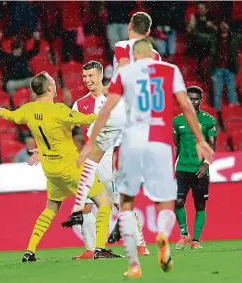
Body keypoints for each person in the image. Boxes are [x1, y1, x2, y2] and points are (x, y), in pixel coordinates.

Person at [80, 39, 214, 278]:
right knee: (164, 203)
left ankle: (134, 262)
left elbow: (108, 112)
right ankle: (162, 234)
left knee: (126, 202)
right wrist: (201, 139)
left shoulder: (125, 78)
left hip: (130, 144)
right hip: (160, 143)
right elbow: (185, 106)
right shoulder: (167, 73)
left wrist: (91, 143)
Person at [0, 72, 121, 261]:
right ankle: (100, 249)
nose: (55, 85)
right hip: (71, 168)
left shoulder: (28, 110)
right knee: (104, 202)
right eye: (53, 83)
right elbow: (87, 119)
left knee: (51, 208)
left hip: (51, 170)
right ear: (48, 88)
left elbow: (10, 116)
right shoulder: (59, 110)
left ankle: (30, 251)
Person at [62, 12, 159, 248]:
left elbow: (124, 74)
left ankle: (78, 209)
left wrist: (111, 90)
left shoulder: (122, 46)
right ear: (147, 31)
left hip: (120, 108)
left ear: (129, 28)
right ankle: (139, 244)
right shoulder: (155, 55)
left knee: (91, 155)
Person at [72, 61, 148, 259]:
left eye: (91, 76)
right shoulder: (79, 104)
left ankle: (140, 244)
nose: (87, 80)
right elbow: (67, 130)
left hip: (108, 158)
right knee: (86, 205)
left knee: (118, 202)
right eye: (84, 77)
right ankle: (90, 249)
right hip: (90, 159)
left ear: (100, 77)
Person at [174, 86, 217, 249]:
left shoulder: (208, 120)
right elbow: (176, 145)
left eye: (196, 99)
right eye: (189, 98)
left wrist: (206, 164)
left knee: (200, 205)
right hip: (183, 168)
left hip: (200, 170)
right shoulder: (177, 121)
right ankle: (184, 235)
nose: (193, 101)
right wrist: (172, 165)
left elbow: (213, 145)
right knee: (178, 201)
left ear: (201, 100)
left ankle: (196, 240)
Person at [1, 31, 40, 96]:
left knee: (35, 81)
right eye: (15, 49)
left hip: (25, 79)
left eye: (18, 49)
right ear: (12, 50)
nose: (17, 51)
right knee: (9, 85)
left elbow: (35, 51)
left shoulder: (25, 55)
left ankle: (33, 102)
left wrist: (37, 40)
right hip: (14, 82)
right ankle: (14, 103)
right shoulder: (8, 58)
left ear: (21, 49)